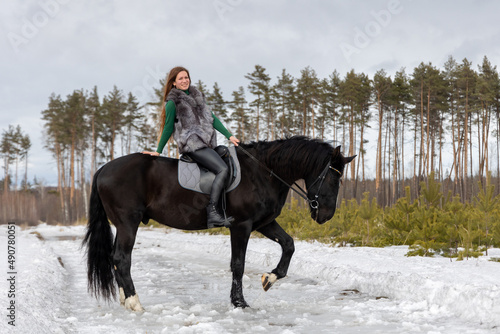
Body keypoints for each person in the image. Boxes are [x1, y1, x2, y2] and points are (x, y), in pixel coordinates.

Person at [143, 66, 240, 228]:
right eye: (180, 78)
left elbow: (212, 118)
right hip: (192, 145)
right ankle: (213, 213)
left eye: (186, 77)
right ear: (173, 83)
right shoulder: (172, 102)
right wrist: (158, 151)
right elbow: (167, 128)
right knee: (223, 170)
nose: (184, 80)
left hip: (207, 143)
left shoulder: (197, 96)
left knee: (224, 152)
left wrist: (229, 135)